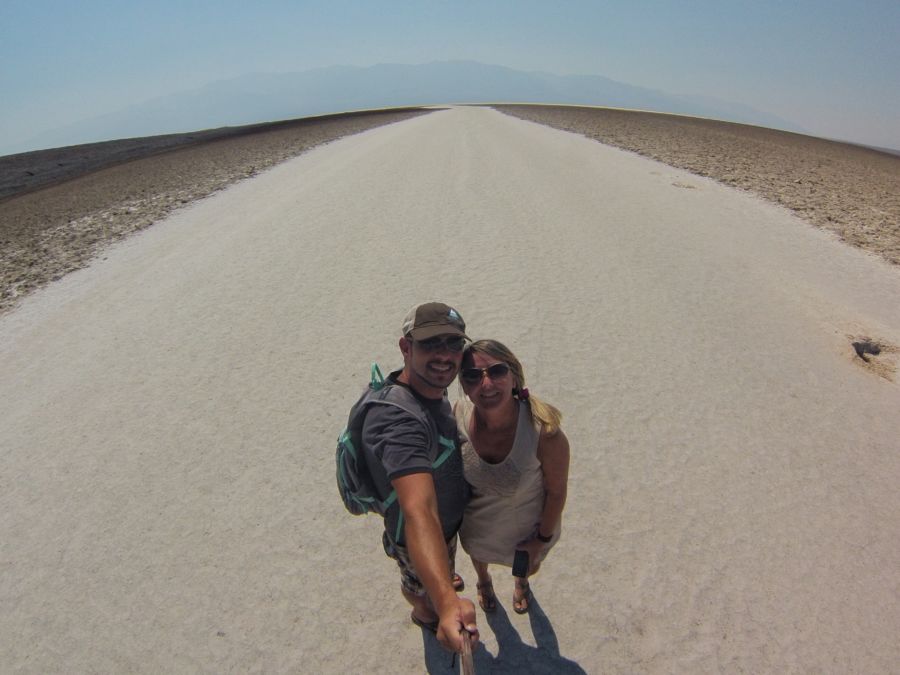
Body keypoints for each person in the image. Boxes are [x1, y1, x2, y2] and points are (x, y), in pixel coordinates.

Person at [361, 302, 479, 652]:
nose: (445, 356)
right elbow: (419, 511)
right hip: (415, 535)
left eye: (454, 344)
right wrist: (444, 605)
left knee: (438, 568)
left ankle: (438, 578)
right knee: (419, 589)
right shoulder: (398, 422)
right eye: (430, 344)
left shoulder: (427, 386)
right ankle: (424, 613)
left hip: (442, 527)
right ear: (405, 347)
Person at [453, 339, 571, 614]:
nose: (487, 384)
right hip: (477, 529)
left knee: (525, 566)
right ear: (464, 384)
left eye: (496, 371)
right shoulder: (456, 415)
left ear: (514, 376)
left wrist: (539, 541)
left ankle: (521, 583)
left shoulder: (545, 433)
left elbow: (556, 492)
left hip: (526, 532)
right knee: (478, 557)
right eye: (473, 376)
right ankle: (484, 582)